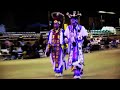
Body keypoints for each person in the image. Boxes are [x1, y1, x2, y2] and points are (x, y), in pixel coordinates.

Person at [64, 11, 88, 79]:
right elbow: (65, 36)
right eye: (71, 20)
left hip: (79, 47)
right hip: (72, 47)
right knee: (73, 59)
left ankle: (78, 73)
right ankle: (76, 72)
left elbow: (85, 36)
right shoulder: (68, 28)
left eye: (74, 19)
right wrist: (66, 39)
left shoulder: (81, 28)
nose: (72, 21)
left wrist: (81, 41)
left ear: (77, 20)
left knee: (79, 59)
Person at [45, 12, 66, 77]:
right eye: (54, 24)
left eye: (56, 24)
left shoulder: (62, 31)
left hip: (59, 48)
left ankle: (59, 71)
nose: (55, 25)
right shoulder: (51, 31)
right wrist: (48, 49)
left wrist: (65, 47)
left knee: (59, 59)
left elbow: (65, 40)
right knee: (54, 60)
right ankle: (56, 70)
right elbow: (49, 41)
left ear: (59, 24)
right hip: (52, 48)